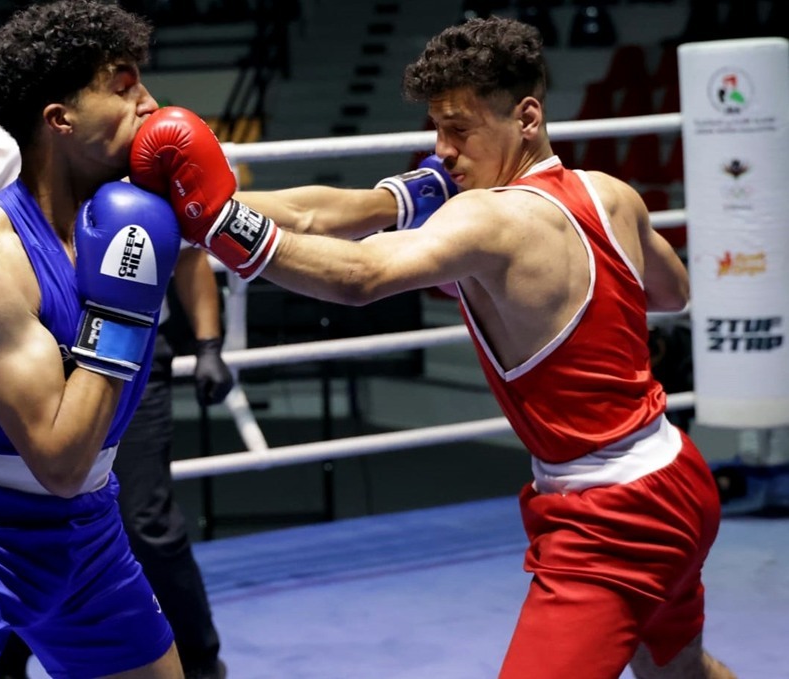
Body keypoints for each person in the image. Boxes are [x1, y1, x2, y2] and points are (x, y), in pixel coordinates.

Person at [128, 15, 738, 679]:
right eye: (436, 128)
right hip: (676, 472)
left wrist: (225, 226)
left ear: (526, 118)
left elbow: (361, 276)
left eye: (459, 130)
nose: (442, 150)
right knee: (679, 669)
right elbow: (671, 291)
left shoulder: (488, 218)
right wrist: (202, 208)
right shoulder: (609, 193)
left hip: (614, 514)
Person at [0, 2, 193, 677]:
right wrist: (123, 308)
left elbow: (294, 218)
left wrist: (404, 198)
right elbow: (58, 461)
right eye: (123, 88)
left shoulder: (129, 214)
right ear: (61, 120)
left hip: (90, 532)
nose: (149, 104)